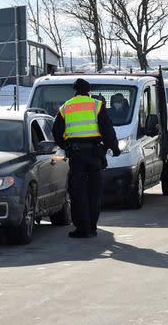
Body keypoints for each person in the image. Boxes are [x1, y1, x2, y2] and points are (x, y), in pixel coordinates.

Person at [52, 78, 120, 239]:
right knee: (94, 191)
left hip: (76, 156)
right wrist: (114, 148)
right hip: (94, 154)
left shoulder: (66, 107)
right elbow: (107, 130)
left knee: (78, 192)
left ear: (75, 91)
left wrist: (66, 146)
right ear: (88, 92)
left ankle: (82, 228)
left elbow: (56, 132)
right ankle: (92, 227)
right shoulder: (96, 105)